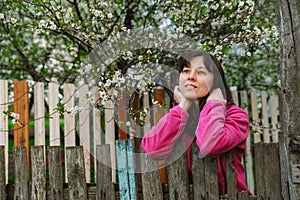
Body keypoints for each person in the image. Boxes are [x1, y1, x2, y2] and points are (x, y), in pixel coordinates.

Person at [141, 50, 252, 195]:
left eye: (201, 72)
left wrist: (214, 103)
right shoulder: (178, 117)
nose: (191, 77)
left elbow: (210, 145)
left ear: (216, 81)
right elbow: (152, 148)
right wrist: (183, 107)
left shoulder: (236, 117)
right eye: (186, 71)